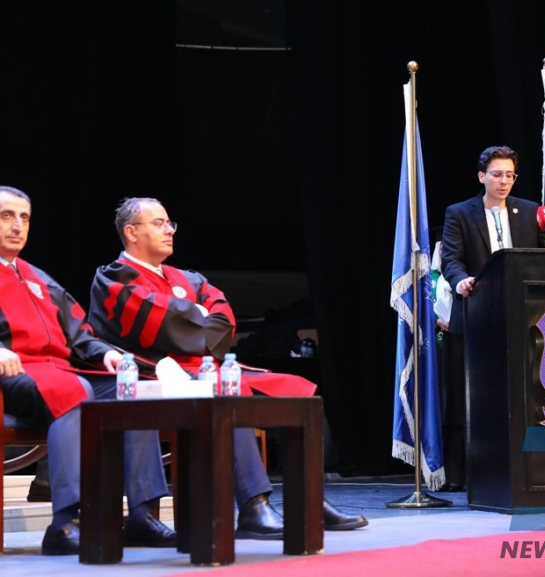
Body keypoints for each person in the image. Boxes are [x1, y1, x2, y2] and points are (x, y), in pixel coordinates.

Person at [87, 197, 368, 533]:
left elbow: (223, 318)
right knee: (225, 393)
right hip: (156, 374)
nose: (169, 230)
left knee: (296, 391)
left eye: (170, 223)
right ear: (131, 232)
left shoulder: (187, 278)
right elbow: (157, 323)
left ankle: (310, 500)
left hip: (205, 369)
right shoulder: (114, 277)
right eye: (159, 223)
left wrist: (189, 318)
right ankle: (253, 506)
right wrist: (197, 314)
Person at [0, 185, 176, 555]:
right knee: (72, 391)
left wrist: (106, 353)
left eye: (24, 218)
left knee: (135, 392)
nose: (17, 225)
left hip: (59, 372)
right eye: (6, 216)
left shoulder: (38, 278)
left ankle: (141, 516)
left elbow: (80, 333)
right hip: (14, 375)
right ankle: (65, 524)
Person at [439, 145, 545, 491]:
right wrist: (461, 281)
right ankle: (464, 474)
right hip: (474, 315)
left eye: (510, 175)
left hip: (523, 320)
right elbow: (451, 260)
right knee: (469, 398)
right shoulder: (460, 213)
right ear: (481, 176)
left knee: (522, 394)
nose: (504, 182)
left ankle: (524, 469)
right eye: (497, 174)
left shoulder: (529, 211)